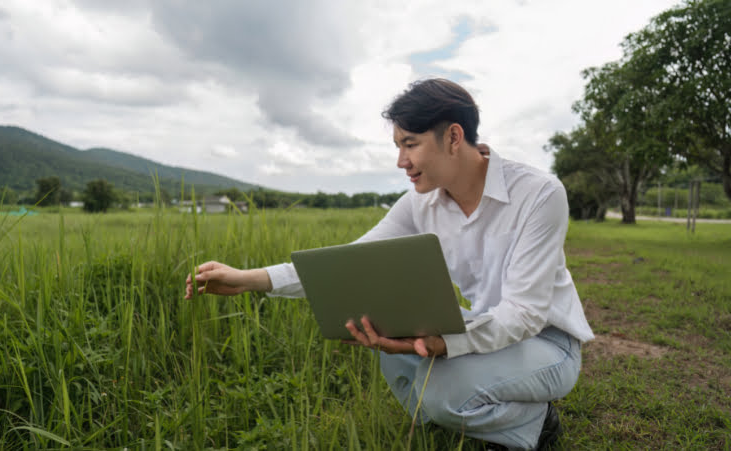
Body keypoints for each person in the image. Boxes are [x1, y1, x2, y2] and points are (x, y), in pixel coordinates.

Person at [184, 78, 594, 450]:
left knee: (439, 395)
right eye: (398, 146)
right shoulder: (420, 203)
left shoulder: (539, 194)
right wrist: (249, 280)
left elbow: (524, 313)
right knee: (393, 350)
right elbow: (348, 263)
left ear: (454, 137)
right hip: (485, 330)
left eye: (410, 143)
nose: (401, 161)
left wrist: (445, 344)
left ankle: (535, 423)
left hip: (547, 344)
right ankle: (470, 413)